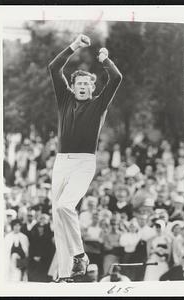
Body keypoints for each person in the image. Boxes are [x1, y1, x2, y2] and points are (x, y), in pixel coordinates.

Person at [49, 34, 122, 282]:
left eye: (86, 84)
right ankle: (64, 274)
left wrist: (105, 61)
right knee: (57, 216)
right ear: (73, 86)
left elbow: (117, 78)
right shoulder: (64, 98)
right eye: (78, 83)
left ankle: (80, 255)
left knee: (65, 206)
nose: (82, 86)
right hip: (61, 162)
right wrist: (74, 46)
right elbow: (53, 67)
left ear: (92, 88)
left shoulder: (99, 104)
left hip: (83, 162)